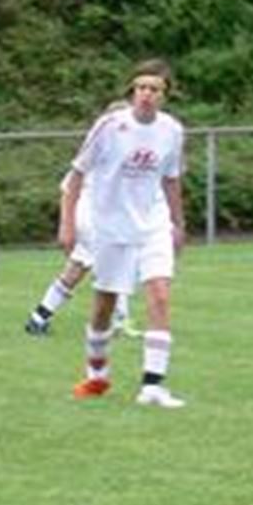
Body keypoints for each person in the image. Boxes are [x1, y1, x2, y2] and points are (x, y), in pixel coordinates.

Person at [60, 59, 187, 409]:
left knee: (159, 295)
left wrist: (178, 223)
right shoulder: (110, 126)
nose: (146, 95)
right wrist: (67, 224)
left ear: (165, 95)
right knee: (106, 303)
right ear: (132, 91)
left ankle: (153, 386)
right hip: (111, 226)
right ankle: (96, 375)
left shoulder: (172, 131)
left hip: (153, 224)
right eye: (141, 87)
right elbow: (76, 176)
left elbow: (171, 179)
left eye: (155, 89)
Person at [25, 101, 140, 339]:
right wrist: (66, 225)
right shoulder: (101, 150)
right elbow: (69, 187)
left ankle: (38, 317)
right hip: (91, 217)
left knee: (78, 267)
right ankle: (119, 322)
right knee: (115, 265)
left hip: (94, 216)